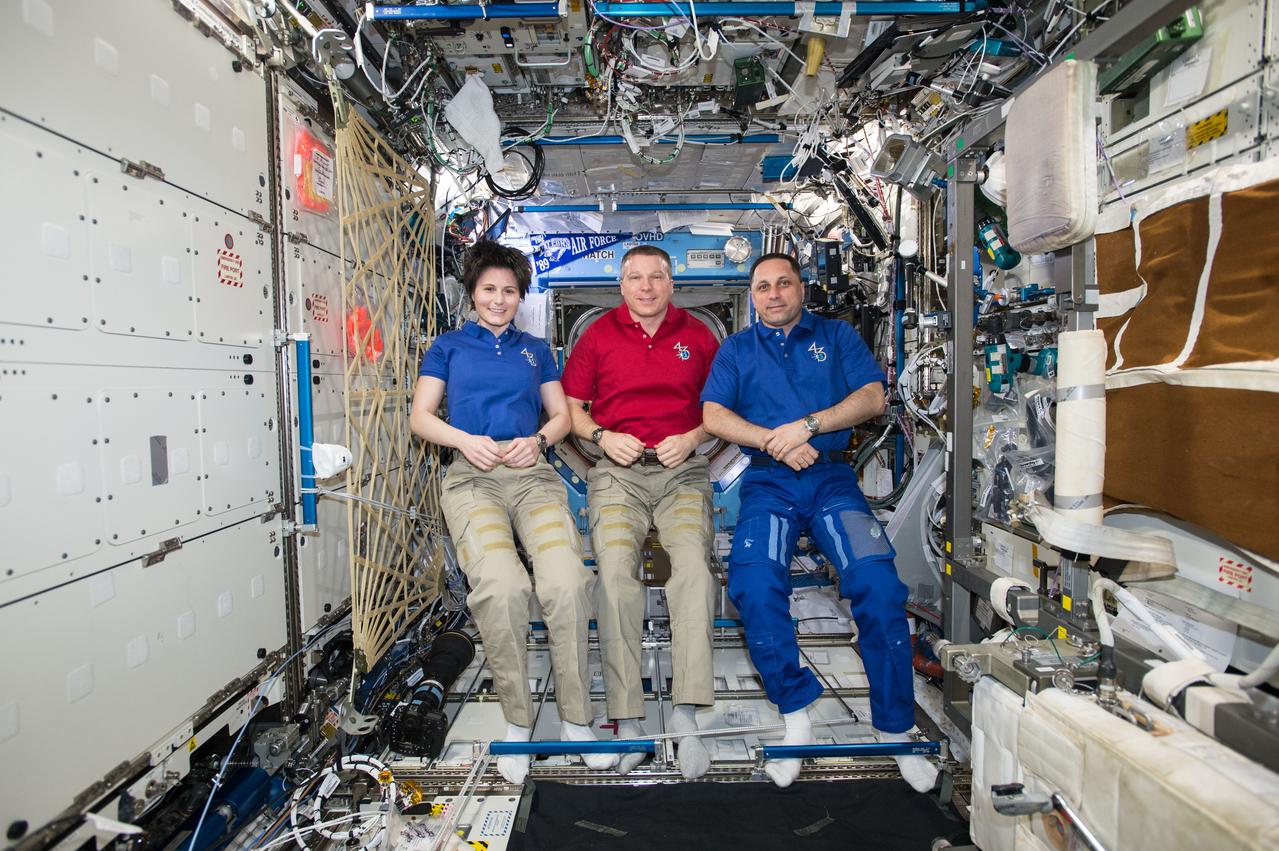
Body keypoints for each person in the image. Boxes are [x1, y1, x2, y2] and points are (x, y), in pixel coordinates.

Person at [701, 253, 937, 792]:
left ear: (801, 288)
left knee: (878, 585)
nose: (773, 294)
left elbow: (872, 397)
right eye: (762, 287)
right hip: (768, 482)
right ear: (752, 295)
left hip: (831, 480)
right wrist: (775, 441)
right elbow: (713, 415)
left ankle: (895, 726)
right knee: (754, 586)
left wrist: (808, 426)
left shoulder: (836, 336)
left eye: (783, 283)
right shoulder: (737, 349)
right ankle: (795, 715)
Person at [409, 240, 617, 784]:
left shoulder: (536, 350)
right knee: (502, 587)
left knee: (568, 580)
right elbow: (421, 417)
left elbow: (561, 416)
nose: (498, 300)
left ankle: (576, 721)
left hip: (532, 477)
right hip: (471, 480)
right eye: (488, 290)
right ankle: (518, 722)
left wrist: (539, 440)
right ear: (472, 293)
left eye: (509, 291)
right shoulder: (448, 347)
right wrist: (463, 439)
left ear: (522, 296)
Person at [561, 245, 719, 779]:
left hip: (682, 474)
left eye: (656, 277)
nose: (646, 287)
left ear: (672, 284)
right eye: (635, 278)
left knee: (693, 571)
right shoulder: (597, 335)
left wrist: (693, 436)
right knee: (614, 578)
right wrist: (602, 436)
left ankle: (686, 713)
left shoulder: (699, 336)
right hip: (616, 475)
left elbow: (723, 407)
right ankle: (627, 719)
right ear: (621, 285)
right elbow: (571, 410)